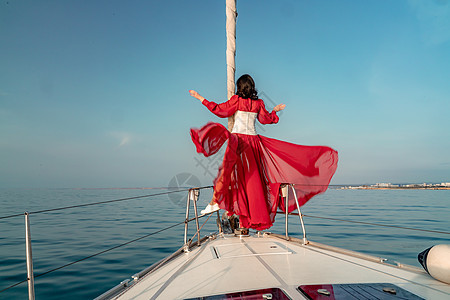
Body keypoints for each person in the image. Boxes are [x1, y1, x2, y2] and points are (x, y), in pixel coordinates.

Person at [189, 74, 338, 230]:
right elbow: (266, 119)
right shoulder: (258, 103)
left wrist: (200, 97)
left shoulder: (237, 101)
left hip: (238, 141)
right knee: (252, 180)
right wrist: (274, 111)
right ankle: (230, 207)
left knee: (231, 174)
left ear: (239, 87)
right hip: (253, 143)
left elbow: (219, 110)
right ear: (252, 87)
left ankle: (217, 202)